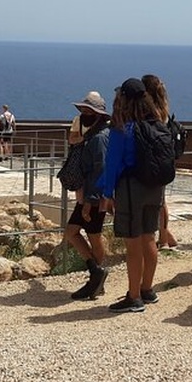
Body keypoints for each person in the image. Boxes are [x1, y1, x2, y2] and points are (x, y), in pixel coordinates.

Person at [98, 78, 165, 313]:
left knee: (133, 243)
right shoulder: (157, 123)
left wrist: (106, 194)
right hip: (155, 188)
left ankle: (134, 297)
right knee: (149, 237)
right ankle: (147, 289)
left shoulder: (122, 128)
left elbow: (112, 163)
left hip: (130, 189)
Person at [62, 91, 111, 300]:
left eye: (88, 110)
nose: (84, 114)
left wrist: (89, 203)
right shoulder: (100, 133)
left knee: (82, 234)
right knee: (86, 234)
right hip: (91, 195)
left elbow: (99, 169)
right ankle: (97, 276)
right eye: (83, 110)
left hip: (93, 197)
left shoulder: (99, 137)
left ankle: (96, 276)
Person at [143, 74, 178, 250]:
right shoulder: (162, 107)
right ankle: (166, 235)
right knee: (161, 200)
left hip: (155, 159)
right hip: (164, 157)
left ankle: (164, 238)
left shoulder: (153, 111)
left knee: (160, 201)